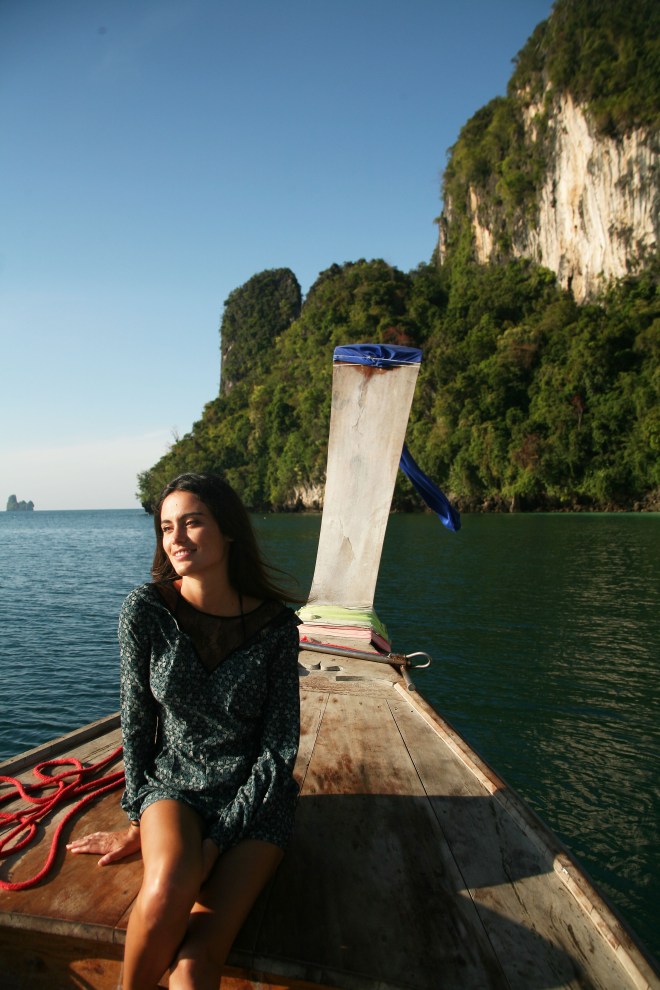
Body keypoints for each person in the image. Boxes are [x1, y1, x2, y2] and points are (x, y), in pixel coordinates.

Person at [67, 472, 301, 989]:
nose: (176, 538)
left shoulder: (277, 628)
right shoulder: (146, 609)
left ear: (229, 532)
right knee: (170, 881)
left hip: (257, 799)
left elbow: (279, 747)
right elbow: (136, 721)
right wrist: (138, 815)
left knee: (196, 966)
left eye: (193, 523)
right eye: (167, 527)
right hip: (175, 784)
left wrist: (215, 844)